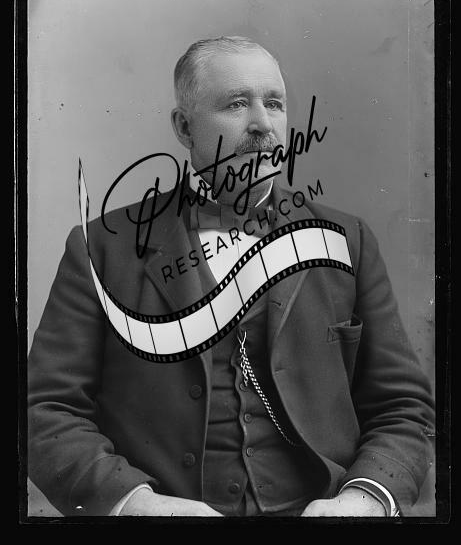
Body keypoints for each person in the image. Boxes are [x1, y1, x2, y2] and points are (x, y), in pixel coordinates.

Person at [28, 36, 434, 518]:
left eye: (275, 103)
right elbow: (44, 411)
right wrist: (138, 505)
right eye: (237, 104)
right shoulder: (100, 248)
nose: (263, 124)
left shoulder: (349, 241)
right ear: (184, 126)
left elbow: (404, 407)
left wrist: (364, 498)